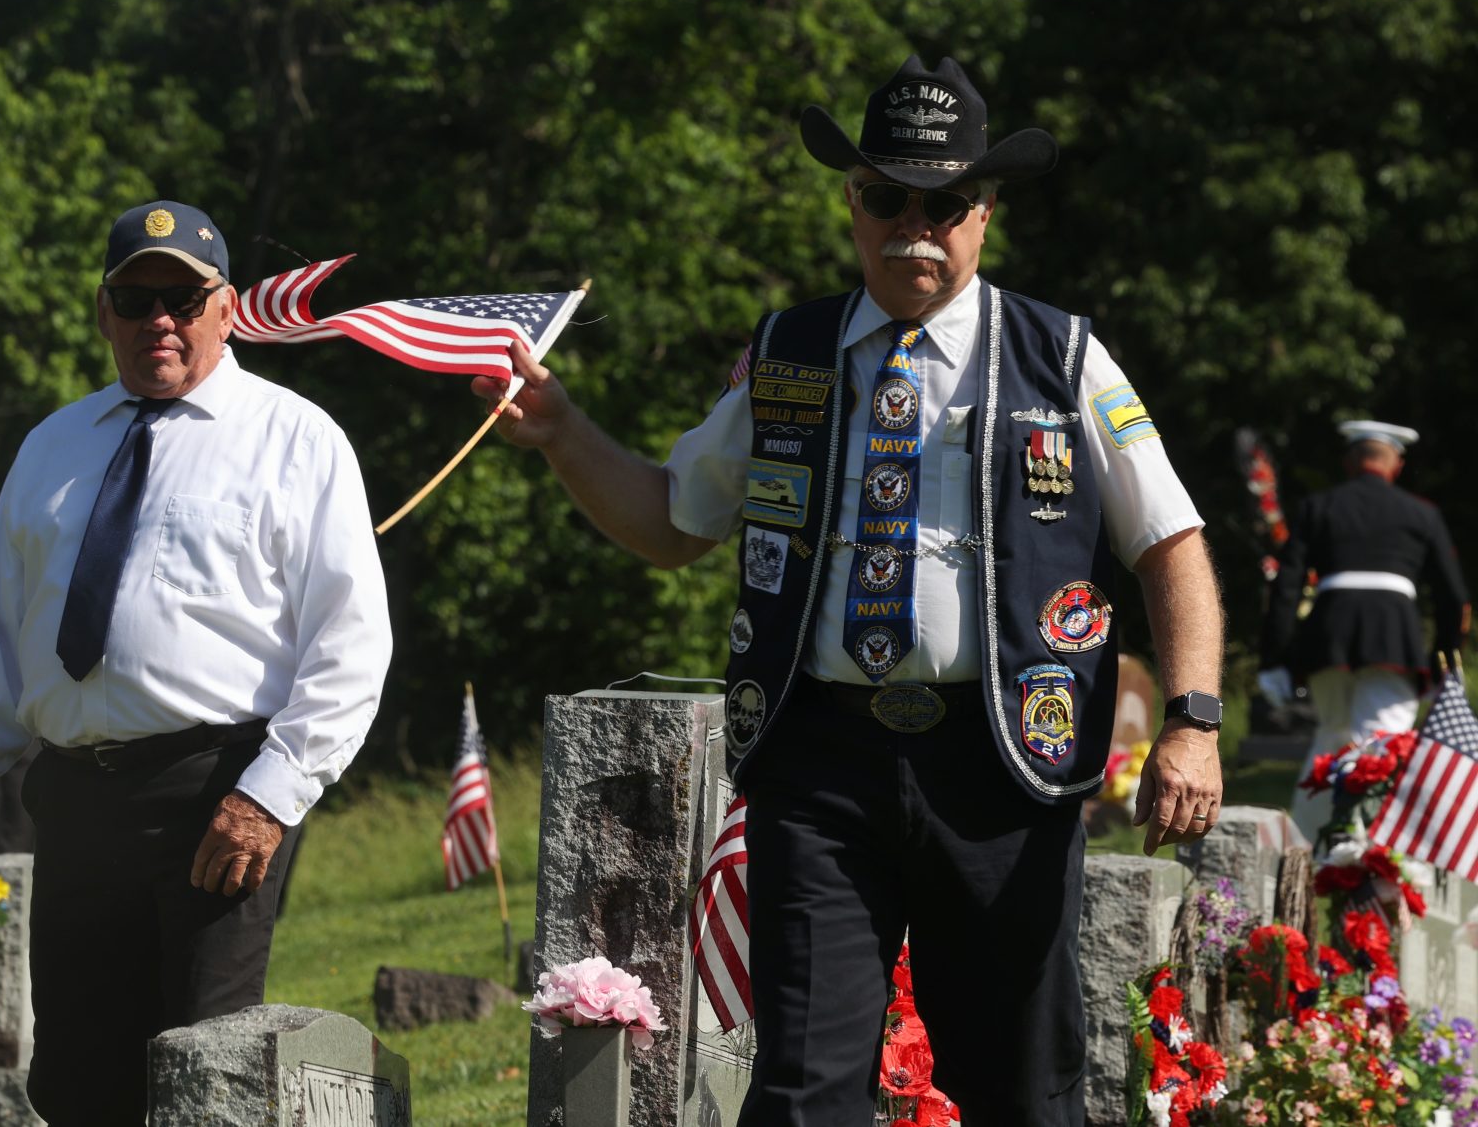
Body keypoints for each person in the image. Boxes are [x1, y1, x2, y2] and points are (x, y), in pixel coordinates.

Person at [481, 57, 1226, 1127]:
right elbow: (670, 522)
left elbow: (1169, 541)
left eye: (943, 202)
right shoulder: (787, 351)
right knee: (797, 1092)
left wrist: (1192, 722)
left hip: (1005, 762)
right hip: (821, 765)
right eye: (887, 197)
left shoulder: (1060, 356)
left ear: (984, 210)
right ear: (851, 201)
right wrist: (559, 431)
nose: (913, 226)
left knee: (1021, 1084)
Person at [0, 200, 392, 1125]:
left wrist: (269, 794)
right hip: (75, 800)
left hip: (218, 798)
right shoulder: (52, 447)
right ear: (103, 311)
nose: (158, 319)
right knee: (80, 1078)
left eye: (182, 297)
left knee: (206, 1071)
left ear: (227, 307)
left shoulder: (296, 438)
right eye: (135, 297)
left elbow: (351, 643)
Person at [1264, 421, 1471, 838]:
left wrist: (1276, 659)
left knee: (1331, 736)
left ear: (1350, 461)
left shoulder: (1317, 507)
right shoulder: (1421, 513)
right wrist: (1443, 658)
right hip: (1394, 641)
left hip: (1328, 638)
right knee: (1385, 742)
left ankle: (1307, 849)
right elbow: (1453, 597)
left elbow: (1286, 587)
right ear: (1395, 463)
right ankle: (1373, 854)